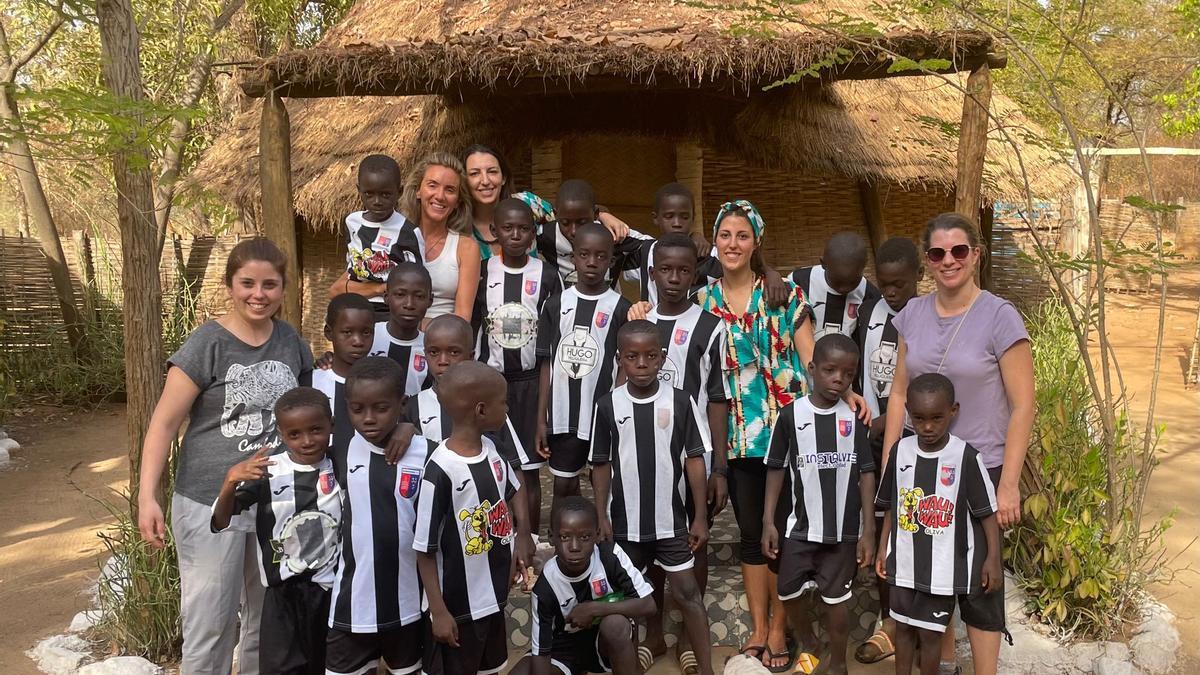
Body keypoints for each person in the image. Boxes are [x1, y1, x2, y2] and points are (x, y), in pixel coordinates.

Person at [138, 238, 313, 675]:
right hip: (209, 500)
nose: (259, 294)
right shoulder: (208, 344)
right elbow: (163, 424)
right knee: (210, 623)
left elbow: (311, 408)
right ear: (230, 284)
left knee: (265, 619)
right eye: (248, 283)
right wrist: (147, 496)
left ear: (284, 287)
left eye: (270, 285)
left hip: (274, 502)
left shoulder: (291, 340)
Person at [882, 212, 1034, 675]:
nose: (948, 261)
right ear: (927, 261)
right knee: (930, 576)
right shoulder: (912, 315)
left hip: (981, 468)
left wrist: (1008, 483)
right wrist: (893, 463)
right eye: (937, 253)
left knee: (980, 582)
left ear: (977, 255)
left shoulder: (1000, 316)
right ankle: (944, 664)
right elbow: (899, 396)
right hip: (922, 467)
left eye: (959, 251)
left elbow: (1024, 405)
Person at [694, 200, 815, 671]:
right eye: (725, 235)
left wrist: (845, 398)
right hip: (738, 438)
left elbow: (812, 358)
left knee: (779, 533)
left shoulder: (783, 294)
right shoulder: (703, 300)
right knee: (749, 535)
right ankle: (760, 629)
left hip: (785, 435)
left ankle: (781, 629)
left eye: (742, 236)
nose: (732, 244)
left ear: (756, 242)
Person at [591, 320, 714, 675]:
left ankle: (707, 669)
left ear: (661, 358)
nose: (641, 364)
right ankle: (632, 661)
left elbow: (694, 459)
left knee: (688, 593)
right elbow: (600, 465)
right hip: (625, 526)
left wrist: (700, 516)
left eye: (649, 356)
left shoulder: (679, 401)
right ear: (620, 360)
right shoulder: (607, 405)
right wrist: (601, 515)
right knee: (629, 600)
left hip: (671, 521)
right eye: (632, 357)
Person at [635, 233, 730, 671]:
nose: (674, 279)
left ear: (696, 274)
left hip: (693, 458)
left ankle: (689, 640)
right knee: (650, 541)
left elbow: (717, 398)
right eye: (665, 270)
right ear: (652, 273)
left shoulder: (711, 327)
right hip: (642, 455)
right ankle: (653, 635)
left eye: (683, 270)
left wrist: (720, 468)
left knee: (696, 542)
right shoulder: (637, 322)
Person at [762, 334, 877, 675]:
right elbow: (775, 470)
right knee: (787, 589)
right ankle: (810, 641)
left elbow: (867, 474)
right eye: (829, 370)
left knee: (837, 603)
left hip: (843, 532)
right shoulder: (790, 416)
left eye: (847, 373)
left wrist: (868, 530)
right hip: (800, 529)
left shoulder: (854, 420)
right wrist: (769, 521)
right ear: (812, 369)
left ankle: (838, 664)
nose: (838, 379)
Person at [875, 374, 1002, 675]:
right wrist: (883, 547)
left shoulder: (965, 457)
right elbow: (893, 504)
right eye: (919, 418)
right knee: (903, 630)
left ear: (953, 411)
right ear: (908, 411)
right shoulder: (900, 451)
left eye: (936, 418)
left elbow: (986, 512)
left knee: (930, 635)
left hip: (942, 570)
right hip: (903, 565)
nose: (928, 427)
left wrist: (993, 559)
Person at [211, 387, 341, 675]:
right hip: (282, 597)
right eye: (294, 434)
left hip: (330, 593)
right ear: (282, 434)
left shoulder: (342, 464)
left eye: (316, 430)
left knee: (328, 667)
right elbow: (221, 521)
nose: (307, 441)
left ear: (332, 424)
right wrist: (230, 482)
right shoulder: (268, 472)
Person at [414, 361, 533, 675]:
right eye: (503, 403)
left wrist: (514, 553)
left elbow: (503, 511)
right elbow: (424, 549)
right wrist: (438, 611)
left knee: (490, 669)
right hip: (456, 609)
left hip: (492, 600)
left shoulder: (493, 452)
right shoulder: (440, 470)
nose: (507, 409)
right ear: (481, 410)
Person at [325, 356, 434, 675]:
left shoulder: (426, 452)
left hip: (408, 602)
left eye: (381, 408)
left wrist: (409, 426)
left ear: (401, 404)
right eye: (357, 409)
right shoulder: (341, 445)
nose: (368, 419)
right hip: (351, 601)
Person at [475, 197, 563, 537]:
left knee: (529, 470)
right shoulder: (484, 272)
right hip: (491, 383)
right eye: (507, 228)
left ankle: (532, 540)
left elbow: (549, 349)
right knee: (492, 466)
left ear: (533, 233)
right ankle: (499, 540)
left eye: (523, 228)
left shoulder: (548, 276)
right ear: (494, 231)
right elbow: (472, 327)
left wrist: (543, 411)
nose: (515, 234)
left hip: (530, 384)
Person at [853, 236, 922, 665]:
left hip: (913, 439)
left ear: (918, 276)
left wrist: (893, 423)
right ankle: (888, 620)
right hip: (875, 438)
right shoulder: (869, 311)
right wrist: (870, 421)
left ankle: (916, 622)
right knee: (879, 526)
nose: (891, 291)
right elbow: (862, 374)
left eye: (900, 283)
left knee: (911, 525)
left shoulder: (925, 317)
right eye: (885, 282)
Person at [535, 222, 630, 507]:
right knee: (563, 487)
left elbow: (623, 366)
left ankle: (605, 539)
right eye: (584, 254)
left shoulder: (621, 307)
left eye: (601, 256)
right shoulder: (555, 305)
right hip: (563, 417)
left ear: (611, 261)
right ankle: (560, 544)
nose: (591, 262)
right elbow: (547, 364)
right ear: (573, 257)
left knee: (608, 485)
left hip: (602, 416)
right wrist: (542, 419)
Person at [510, 496, 656, 675]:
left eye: (585, 537)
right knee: (521, 672)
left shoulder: (610, 556)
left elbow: (648, 605)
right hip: (563, 648)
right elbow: (542, 652)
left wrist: (594, 609)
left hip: (605, 642)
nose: (574, 546)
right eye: (564, 537)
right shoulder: (545, 586)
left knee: (615, 624)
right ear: (551, 537)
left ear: (597, 534)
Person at [404, 314, 539, 483]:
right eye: (434, 352)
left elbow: (513, 467)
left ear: (470, 356)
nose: (443, 361)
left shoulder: (487, 404)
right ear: (425, 355)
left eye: (454, 352)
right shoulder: (413, 407)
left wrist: (520, 511)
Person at [328, 154, 423, 319]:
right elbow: (351, 263)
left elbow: (419, 278)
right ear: (359, 191)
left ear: (399, 192)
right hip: (354, 303)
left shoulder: (408, 232)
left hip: (390, 310)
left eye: (385, 195)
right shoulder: (352, 222)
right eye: (369, 194)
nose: (377, 201)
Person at [400, 151, 481, 323]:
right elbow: (340, 288)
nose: (440, 196)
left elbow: (462, 318)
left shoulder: (466, 248)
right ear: (418, 191)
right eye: (432, 185)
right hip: (394, 340)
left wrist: (418, 327)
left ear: (458, 201)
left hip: (443, 343)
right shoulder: (394, 239)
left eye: (450, 190)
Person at [535, 178, 645, 287]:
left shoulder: (611, 235)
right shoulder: (544, 236)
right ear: (556, 214)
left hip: (608, 304)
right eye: (565, 223)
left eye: (582, 222)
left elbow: (654, 248)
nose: (574, 231)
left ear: (596, 214)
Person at [310, 293, 376, 454]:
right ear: (329, 333)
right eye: (347, 332)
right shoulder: (309, 381)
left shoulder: (381, 385)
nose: (358, 341)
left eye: (366, 332)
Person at [790, 232, 880, 341]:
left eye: (852, 282)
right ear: (823, 264)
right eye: (837, 281)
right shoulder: (799, 281)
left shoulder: (869, 294)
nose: (844, 289)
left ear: (864, 266)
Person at [367, 261, 433, 397]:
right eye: (400, 295)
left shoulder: (431, 349)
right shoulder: (368, 336)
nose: (409, 304)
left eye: (419, 296)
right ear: (386, 297)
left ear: (430, 301)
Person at [461, 144, 512, 259]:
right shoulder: (457, 228)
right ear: (464, 181)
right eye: (474, 173)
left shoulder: (530, 206)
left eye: (492, 171)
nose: (485, 181)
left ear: (503, 178)